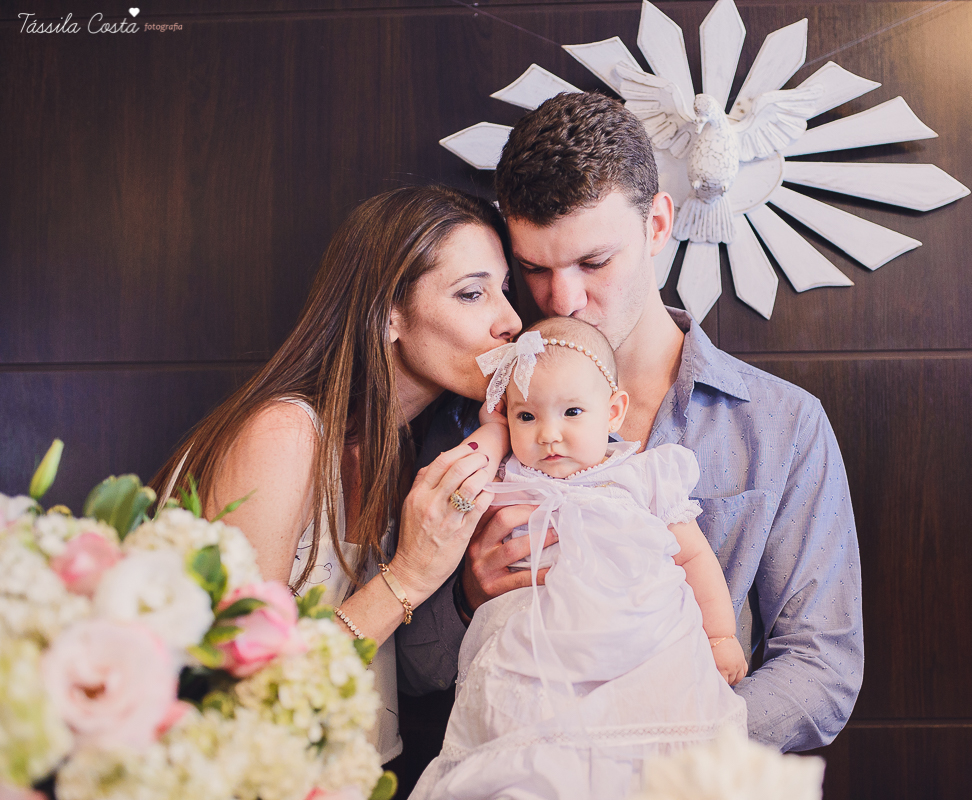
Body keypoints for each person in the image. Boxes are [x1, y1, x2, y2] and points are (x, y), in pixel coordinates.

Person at [396, 92, 864, 754]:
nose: (563, 300)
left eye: (593, 262)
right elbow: (412, 672)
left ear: (657, 225)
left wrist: (655, 758)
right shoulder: (477, 421)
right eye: (534, 269)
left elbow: (823, 672)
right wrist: (469, 598)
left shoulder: (783, 424)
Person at [150, 185, 520, 764]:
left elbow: (393, 679)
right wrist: (412, 576)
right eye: (472, 294)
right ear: (387, 314)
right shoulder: (285, 437)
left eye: (505, 289)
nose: (511, 321)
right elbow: (241, 689)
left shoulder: (399, 452)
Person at [409, 316, 747, 799]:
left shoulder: (641, 478)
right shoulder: (513, 477)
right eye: (527, 417)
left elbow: (693, 556)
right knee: (523, 755)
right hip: (530, 655)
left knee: (644, 755)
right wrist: (496, 430)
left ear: (613, 412)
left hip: (638, 648)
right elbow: (473, 463)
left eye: (571, 412)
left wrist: (719, 634)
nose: (548, 434)